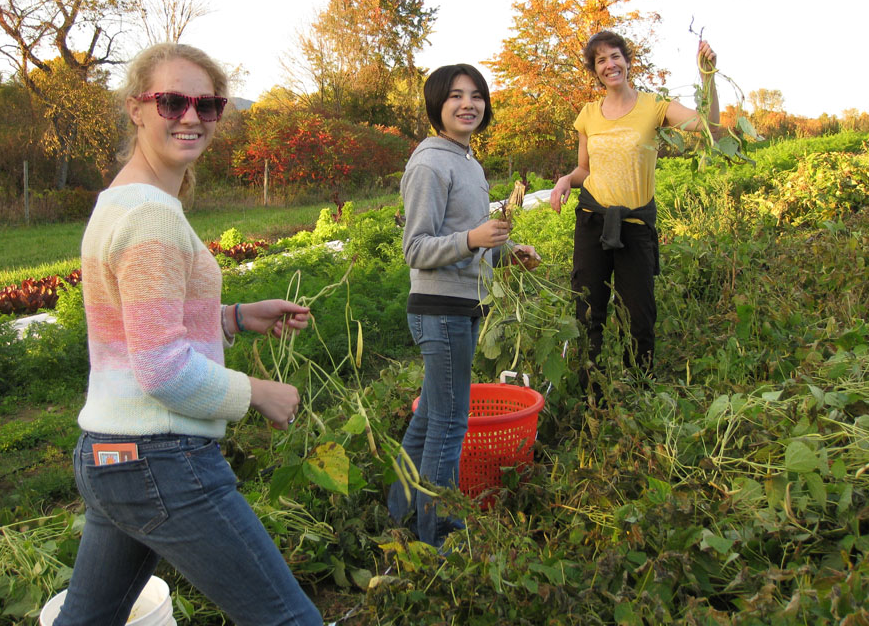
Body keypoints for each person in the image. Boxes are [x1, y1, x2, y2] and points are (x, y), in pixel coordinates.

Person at [54, 43, 322, 626]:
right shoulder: (150, 213)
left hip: (112, 454)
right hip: (159, 458)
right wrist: (258, 392)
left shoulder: (121, 201)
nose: (192, 116)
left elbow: (136, 333)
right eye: (172, 101)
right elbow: (163, 371)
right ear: (136, 109)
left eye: (208, 104)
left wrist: (233, 317)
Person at [387, 63, 539, 548]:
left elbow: (472, 242)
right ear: (438, 105)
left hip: (463, 305)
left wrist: (507, 253)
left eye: (476, 95)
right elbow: (416, 248)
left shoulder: (468, 161)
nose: (468, 104)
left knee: (430, 419)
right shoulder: (430, 163)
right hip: (440, 309)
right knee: (450, 426)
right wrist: (474, 237)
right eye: (455, 96)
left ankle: (400, 515)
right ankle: (441, 537)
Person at [549, 31, 718, 393]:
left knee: (638, 315)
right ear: (595, 71)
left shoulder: (654, 106)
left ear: (627, 60)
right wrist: (565, 179)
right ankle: (589, 392)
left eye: (615, 56)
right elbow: (584, 170)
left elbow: (710, 128)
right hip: (592, 221)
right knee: (588, 310)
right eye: (600, 61)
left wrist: (707, 77)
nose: (610, 65)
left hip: (636, 224)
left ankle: (639, 391)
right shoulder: (589, 115)